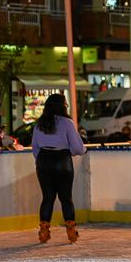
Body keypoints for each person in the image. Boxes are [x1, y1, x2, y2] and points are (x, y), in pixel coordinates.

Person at [31, 93, 86, 243]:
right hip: (62, 161)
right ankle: (71, 232)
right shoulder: (67, 123)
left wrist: (40, 160)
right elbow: (76, 147)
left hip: (44, 161)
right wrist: (83, 150)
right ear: (62, 106)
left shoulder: (40, 123)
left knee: (47, 198)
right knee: (66, 198)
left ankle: (43, 231)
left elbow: (35, 147)